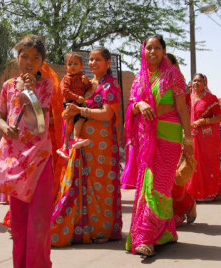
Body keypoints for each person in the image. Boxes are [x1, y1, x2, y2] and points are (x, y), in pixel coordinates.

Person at [0, 34, 54, 267]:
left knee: (39, 220)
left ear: (41, 62)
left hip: (39, 158)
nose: (29, 61)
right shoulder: (7, 86)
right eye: (24, 56)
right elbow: (0, 118)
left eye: (35, 58)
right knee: (19, 222)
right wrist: (6, 127)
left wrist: (31, 90)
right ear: (17, 57)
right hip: (15, 162)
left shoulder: (46, 85)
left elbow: (39, 122)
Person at [123, 35, 193, 257]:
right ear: (143, 51)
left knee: (159, 187)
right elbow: (132, 107)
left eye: (157, 48)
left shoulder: (173, 75)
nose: (152, 51)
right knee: (148, 187)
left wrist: (188, 140)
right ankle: (158, 235)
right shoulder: (139, 78)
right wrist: (140, 104)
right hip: (147, 140)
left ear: (164, 51)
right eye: (148, 48)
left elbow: (182, 109)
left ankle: (147, 236)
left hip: (170, 137)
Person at [51, 47, 123, 247]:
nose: (93, 63)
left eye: (97, 60)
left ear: (108, 63)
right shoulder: (89, 85)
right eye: (90, 60)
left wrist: (82, 110)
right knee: (82, 186)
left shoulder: (110, 86)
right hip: (84, 145)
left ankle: (103, 230)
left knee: (101, 189)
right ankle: (82, 229)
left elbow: (108, 114)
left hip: (102, 146)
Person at [165, 53, 197, 226]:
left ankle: (185, 206)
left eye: (168, 64)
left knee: (171, 178)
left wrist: (187, 139)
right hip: (156, 135)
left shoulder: (180, 85)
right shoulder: (153, 82)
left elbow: (185, 112)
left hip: (175, 134)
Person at [186, 73, 221, 201]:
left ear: (205, 83)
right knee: (194, 163)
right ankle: (194, 192)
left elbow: (219, 118)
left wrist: (203, 122)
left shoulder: (211, 99)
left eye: (199, 81)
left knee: (208, 163)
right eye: (194, 80)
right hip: (192, 136)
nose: (196, 83)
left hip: (208, 137)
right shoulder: (188, 98)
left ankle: (210, 192)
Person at [57, 52, 92, 159]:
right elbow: (64, 91)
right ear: (66, 67)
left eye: (75, 64)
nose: (72, 66)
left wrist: (87, 83)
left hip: (79, 104)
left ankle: (76, 138)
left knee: (81, 119)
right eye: (70, 64)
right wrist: (76, 97)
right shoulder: (66, 78)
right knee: (69, 124)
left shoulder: (82, 76)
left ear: (81, 66)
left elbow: (88, 88)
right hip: (70, 103)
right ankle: (64, 146)